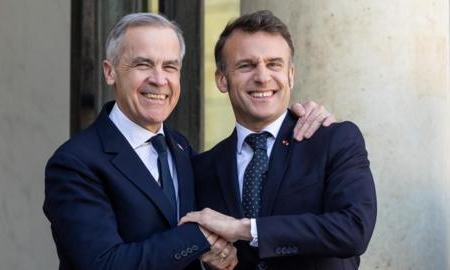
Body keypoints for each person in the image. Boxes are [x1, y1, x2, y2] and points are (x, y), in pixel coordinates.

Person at [43, 12, 333, 270]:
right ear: (110, 72)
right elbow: (102, 264)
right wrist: (199, 237)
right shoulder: (75, 162)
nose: (159, 80)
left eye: (170, 67)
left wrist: (304, 118)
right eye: (143, 64)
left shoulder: (182, 149)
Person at [181, 10, 377, 270]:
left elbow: (354, 229)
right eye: (246, 65)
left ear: (291, 75)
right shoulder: (202, 168)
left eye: (274, 64)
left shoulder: (333, 140)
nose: (262, 77)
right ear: (221, 79)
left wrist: (244, 229)